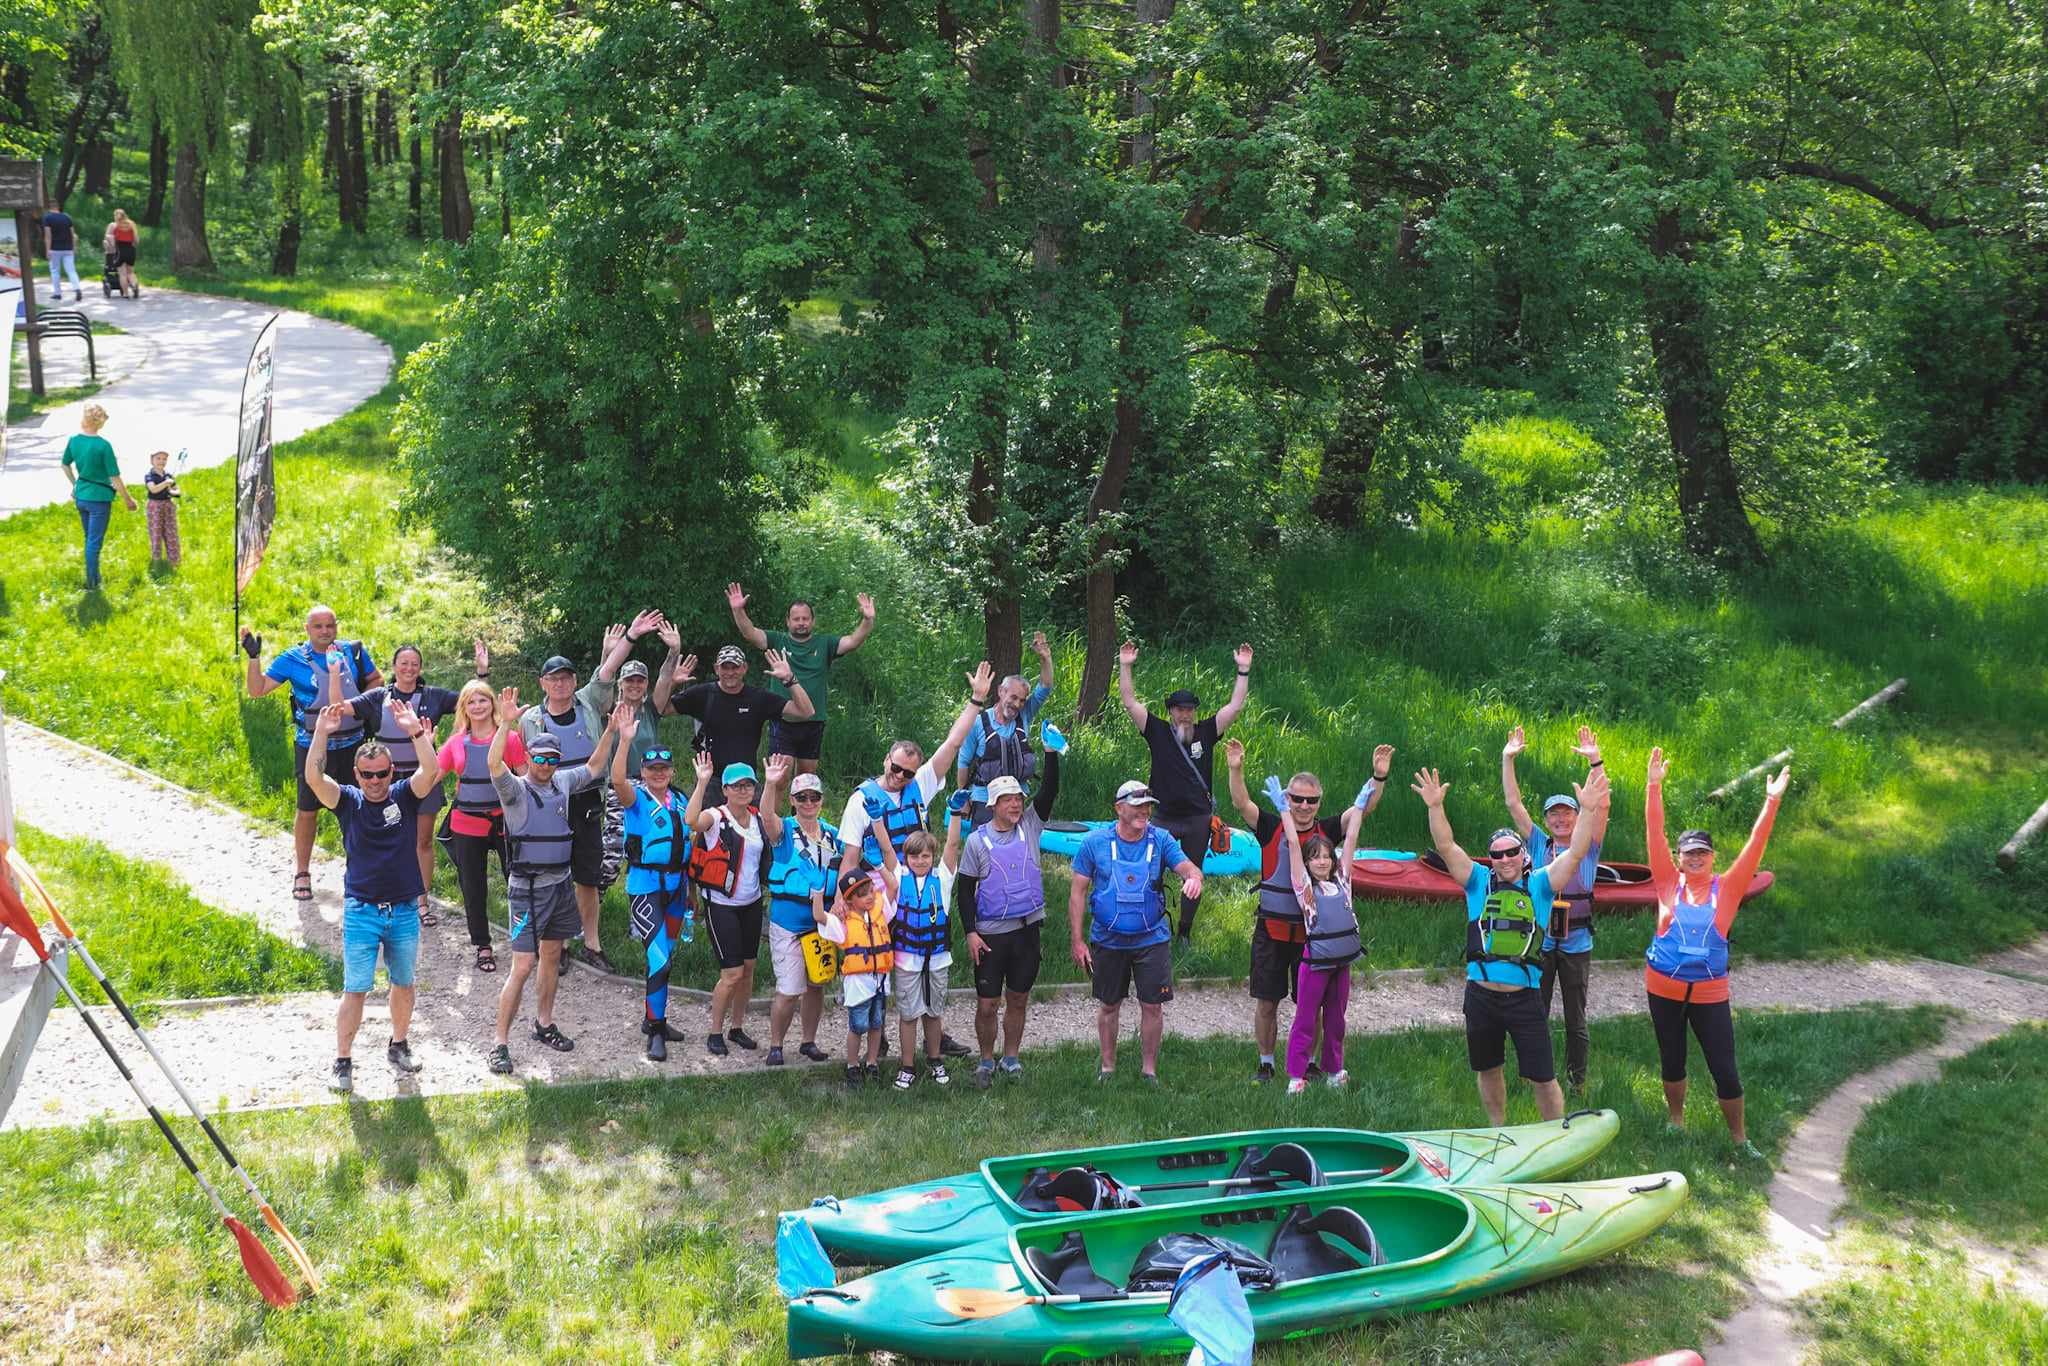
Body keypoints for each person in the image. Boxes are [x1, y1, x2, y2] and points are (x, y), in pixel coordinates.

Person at [1412, 761, 1609, 1126]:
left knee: (1542, 1076)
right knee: (1488, 1068)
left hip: (1524, 998)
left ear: (1524, 855)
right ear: (1491, 859)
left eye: (1511, 852)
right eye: (1497, 854)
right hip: (1481, 996)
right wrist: (1435, 806)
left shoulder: (1541, 885)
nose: (1504, 859)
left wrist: (1590, 811)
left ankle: (1555, 1134)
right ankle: (1498, 1130)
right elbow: (1446, 844)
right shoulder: (1477, 881)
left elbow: (1577, 852)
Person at [1645, 747, 1789, 1160]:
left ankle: (1740, 1140)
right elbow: (1654, 833)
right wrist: (1653, 787)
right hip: (1664, 990)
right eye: (1688, 853)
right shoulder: (1666, 884)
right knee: (1672, 1060)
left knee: (1724, 1069)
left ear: (1712, 858)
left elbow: (1756, 846)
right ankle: (1675, 1122)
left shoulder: (1728, 888)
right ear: (1678, 858)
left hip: (1710, 994)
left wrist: (1772, 800)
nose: (1695, 859)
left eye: (1702, 853)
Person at [1225, 738, 1392, 1083]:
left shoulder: (1327, 830)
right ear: (1286, 798)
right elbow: (1241, 802)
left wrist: (1378, 778)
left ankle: (1310, 1064)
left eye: (1310, 800)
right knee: (1267, 1001)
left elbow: (1362, 810)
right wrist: (1235, 768)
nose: (1303, 805)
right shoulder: (1271, 824)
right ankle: (1267, 1063)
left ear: (1319, 802)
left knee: (1311, 1005)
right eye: (1296, 799)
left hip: (1314, 938)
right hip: (1272, 929)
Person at [303, 699, 442, 1094]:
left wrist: (414, 730)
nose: (375, 781)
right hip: (362, 910)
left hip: (402, 910)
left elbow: (431, 771)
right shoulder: (348, 800)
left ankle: (398, 1045)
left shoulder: (403, 795)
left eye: (381, 774)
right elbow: (315, 780)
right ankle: (343, 1060)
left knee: (404, 982)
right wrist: (321, 733)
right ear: (357, 774)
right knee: (356, 989)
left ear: (391, 771)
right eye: (367, 775)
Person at [484, 687, 625, 1074]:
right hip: (528, 890)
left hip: (561, 885)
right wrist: (507, 724)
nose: (545, 765)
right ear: (528, 757)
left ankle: (543, 1023)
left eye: (552, 759)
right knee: (523, 965)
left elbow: (595, 768)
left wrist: (611, 731)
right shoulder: (515, 790)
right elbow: (495, 764)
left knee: (551, 956)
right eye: (540, 758)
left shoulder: (562, 783)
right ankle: (499, 1043)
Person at [517, 624, 652, 975]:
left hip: (589, 799)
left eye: (566, 678)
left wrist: (632, 636)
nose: (560, 684)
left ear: (575, 681)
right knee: (554, 874)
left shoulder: (589, 702)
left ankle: (591, 943)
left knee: (587, 876)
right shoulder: (531, 718)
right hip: (550, 804)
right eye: (553, 679)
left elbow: (609, 669)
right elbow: (522, 764)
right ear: (543, 684)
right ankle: (557, 944)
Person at [242, 607, 385, 903]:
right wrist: (254, 659)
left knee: (358, 810)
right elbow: (257, 691)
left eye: (330, 625)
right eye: (318, 626)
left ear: (336, 627)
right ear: (307, 629)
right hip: (311, 746)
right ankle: (302, 872)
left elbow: (376, 680)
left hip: (352, 745)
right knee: (307, 810)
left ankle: (360, 871)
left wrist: (359, 703)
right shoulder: (292, 659)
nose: (325, 631)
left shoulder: (353, 652)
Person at [1117, 640, 1254, 940]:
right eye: (1180, 710)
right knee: (1150, 872)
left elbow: (1235, 706)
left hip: (1197, 819)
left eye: (1190, 709)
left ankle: (1184, 933)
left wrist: (1243, 670)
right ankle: (1148, 923)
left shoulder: (1207, 732)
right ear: (1170, 712)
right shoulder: (1156, 730)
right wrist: (1125, 664)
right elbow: (1129, 701)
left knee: (1194, 875)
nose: (1185, 715)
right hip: (1162, 817)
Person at [1068, 781, 1204, 1084]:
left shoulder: (1162, 840)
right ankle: (1107, 1068)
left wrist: (1193, 879)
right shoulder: (1094, 843)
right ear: (1119, 808)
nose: (1145, 811)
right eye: (1137, 804)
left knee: (1152, 1005)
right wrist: (1077, 941)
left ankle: (1149, 1071)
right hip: (1107, 938)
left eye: (1148, 805)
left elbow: (1191, 869)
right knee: (1109, 1004)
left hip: (1151, 938)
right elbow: (1078, 892)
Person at [1502, 724, 1611, 1093]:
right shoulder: (1536, 845)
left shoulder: (1590, 846)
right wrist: (1508, 758)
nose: (1562, 819)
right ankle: (1534, 1074)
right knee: (1534, 1012)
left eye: (1568, 813)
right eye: (1554, 815)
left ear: (1578, 817)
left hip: (1578, 944)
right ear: (1547, 820)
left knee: (1576, 1019)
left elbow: (1603, 803)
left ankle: (1576, 1082)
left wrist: (1595, 761)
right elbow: (1513, 804)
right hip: (1542, 943)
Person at [954, 735, 1065, 1088]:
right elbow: (965, 891)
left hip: (1025, 932)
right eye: (1008, 800)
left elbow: (1047, 793)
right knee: (988, 1004)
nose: (1017, 805)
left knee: (1018, 998)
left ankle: (1011, 1058)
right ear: (993, 804)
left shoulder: (1030, 827)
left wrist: (1050, 754)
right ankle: (986, 1060)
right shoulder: (977, 841)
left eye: (1019, 798)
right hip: (990, 935)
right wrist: (971, 932)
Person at [348, 639, 481, 916]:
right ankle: (383, 894)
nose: (409, 668)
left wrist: (481, 673)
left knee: (422, 841)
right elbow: (342, 708)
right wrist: (338, 671)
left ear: (420, 668)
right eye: (404, 663)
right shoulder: (377, 697)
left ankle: (422, 901)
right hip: (385, 781)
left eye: (414, 664)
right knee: (386, 838)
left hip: (424, 778)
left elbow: (473, 702)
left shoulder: (433, 696)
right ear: (395, 667)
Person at [838, 663, 994, 878]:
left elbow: (953, 743)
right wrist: (841, 901)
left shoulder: (920, 784)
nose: (900, 776)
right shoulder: (861, 801)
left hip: (917, 878)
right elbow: (850, 858)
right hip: (879, 883)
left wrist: (976, 699)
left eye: (908, 773)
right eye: (896, 768)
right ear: (886, 760)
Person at [684, 748, 791, 1057]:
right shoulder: (717, 816)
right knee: (731, 974)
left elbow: (777, 827)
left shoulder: (759, 818)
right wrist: (702, 782)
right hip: (721, 905)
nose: (744, 790)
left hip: (751, 903)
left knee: (748, 969)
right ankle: (715, 1031)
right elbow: (692, 821)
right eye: (737, 785)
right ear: (726, 789)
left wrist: (772, 784)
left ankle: (737, 1027)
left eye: (749, 785)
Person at [609, 705, 695, 1062]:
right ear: (642, 771)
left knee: (666, 956)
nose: (658, 774)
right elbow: (616, 781)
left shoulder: (682, 800)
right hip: (646, 889)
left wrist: (691, 894)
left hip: (677, 889)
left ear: (672, 770)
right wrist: (624, 742)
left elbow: (690, 842)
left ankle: (653, 1019)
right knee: (657, 958)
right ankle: (655, 1030)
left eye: (663, 768)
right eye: (651, 768)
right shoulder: (637, 799)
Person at [726, 583, 876, 775]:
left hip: (814, 720)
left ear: (812, 621)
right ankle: (770, 807)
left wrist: (867, 620)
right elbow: (750, 633)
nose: (801, 622)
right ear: (788, 621)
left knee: (806, 778)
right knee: (779, 776)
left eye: (805, 618)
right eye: (796, 619)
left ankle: (800, 806)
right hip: (783, 718)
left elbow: (853, 641)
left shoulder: (825, 644)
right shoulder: (777, 640)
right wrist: (738, 610)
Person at [435, 678, 524, 974]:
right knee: (472, 887)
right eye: (471, 701)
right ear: (464, 708)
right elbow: (432, 774)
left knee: (518, 882)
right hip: (467, 823)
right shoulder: (456, 743)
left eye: (483, 700)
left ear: (492, 704)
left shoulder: (508, 738)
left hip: (504, 821)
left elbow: (525, 779)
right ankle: (482, 945)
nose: (477, 706)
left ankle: (523, 940)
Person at [1277, 808, 1364, 1094]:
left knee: (1336, 1019)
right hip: (1315, 964)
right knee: (1305, 1018)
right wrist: (1283, 810)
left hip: (1342, 963)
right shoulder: (1305, 889)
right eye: (1315, 857)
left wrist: (1361, 804)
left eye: (1326, 856)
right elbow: (1292, 842)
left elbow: (1351, 837)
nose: (1322, 861)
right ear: (1307, 863)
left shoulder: (1342, 882)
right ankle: (1296, 1075)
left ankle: (1334, 1070)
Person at [667, 644, 814, 806]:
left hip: (746, 781)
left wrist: (789, 679)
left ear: (744, 668)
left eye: (735, 667)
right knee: (702, 828)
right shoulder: (702, 694)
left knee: (756, 829)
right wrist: (671, 682)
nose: (730, 673)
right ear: (716, 669)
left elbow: (805, 711)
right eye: (725, 667)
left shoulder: (758, 698)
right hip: (711, 781)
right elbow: (662, 708)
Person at [764, 771, 841, 1067]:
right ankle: (776, 1045)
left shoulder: (834, 835)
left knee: (816, 984)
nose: (809, 802)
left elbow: (847, 868)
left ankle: (808, 1041)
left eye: (814, 796)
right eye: (802, 797)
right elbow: (766, 814)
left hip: (821, 922)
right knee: (788, 990)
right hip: (788, 923)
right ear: (794, 801)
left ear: (821, 800)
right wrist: (771, 783)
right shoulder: (783, 831)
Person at [890, 821, 965, 1089]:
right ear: (905, 857)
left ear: (932, 857)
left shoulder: (942, 879)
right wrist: (877, 823)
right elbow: (887, 852)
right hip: (907, 960)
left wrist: (955, 814)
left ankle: (935, 1059)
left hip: (936, 960)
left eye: (925, 856)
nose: (920, 861)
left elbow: (953, 845)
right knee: (909, 1015)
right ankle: (907, 1065)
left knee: (933, 1014)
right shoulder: (898, 877)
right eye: (914, 856)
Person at [956, 631, 1055, 826]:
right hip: (985, 799)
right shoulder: (978, 723)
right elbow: (963, 762)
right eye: (1013, 697)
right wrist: (964, 799)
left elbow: (1046, 687)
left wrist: (1045, 658)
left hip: (1016, 799)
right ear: (1001, 692)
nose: (1017, 704)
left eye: (1022, 700)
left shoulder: (1024, 714)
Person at [826, 869, 893, 1087]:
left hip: (880, 980)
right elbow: (819, 916)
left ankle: (872, 1062)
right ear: (849, 900)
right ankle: (852, 1065)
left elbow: (892, 887)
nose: (869, 896)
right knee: (857, 1026)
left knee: (876, 1024)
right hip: (858, 984)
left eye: (870, 890)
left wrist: (881, 864)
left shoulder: (880, 912)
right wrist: (818, 893)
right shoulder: (843, 922)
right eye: (862, 894)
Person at [60, 403, 137, 591]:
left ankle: (95, 576)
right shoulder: (103, 446)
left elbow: (65, 465)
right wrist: (128, 499)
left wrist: (75, 484)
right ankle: (93, 583)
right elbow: (114, 477)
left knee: (89, 539)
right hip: (99, 500)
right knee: (94, 542)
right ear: (99, 422)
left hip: (82, 498)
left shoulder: (74, 441)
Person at [141, 450, 182, 568]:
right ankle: (157, 561)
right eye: (158, 458)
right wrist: (165, 483)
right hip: (155, 506)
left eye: (164, 459)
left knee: (171, 533)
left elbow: (178, 491)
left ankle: (174, 561)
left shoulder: (169, 475)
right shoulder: (149, 476)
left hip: (168, 505)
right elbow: (153, 489)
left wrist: (172, 491)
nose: (161, 461)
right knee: (156, 533)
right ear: (152, 460)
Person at [42, 200, 81, 303]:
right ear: (58, 207)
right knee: (71, 270)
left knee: (55, 271)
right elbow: (73, 235)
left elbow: (48, 236)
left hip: (55, 249)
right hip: (68, 249)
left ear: (49, 207)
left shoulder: (47, 218)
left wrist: (47, 250)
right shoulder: (67, 217)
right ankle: (77, 288)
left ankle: (57, 293)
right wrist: (74, 247)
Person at [105, 209, 139, 299]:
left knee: (122, 274)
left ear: (116, 216)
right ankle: (134, 285)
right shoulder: (132, 224)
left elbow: (111, 239)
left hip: (120, 250)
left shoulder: (116, 226)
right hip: (131, 250)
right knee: (131, 272)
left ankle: (125, 293)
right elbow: (136, 240)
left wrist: (111, 245)